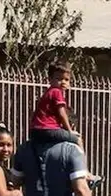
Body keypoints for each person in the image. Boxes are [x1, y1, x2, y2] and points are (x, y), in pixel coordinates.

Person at [29, 61, 101, 189]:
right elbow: (61, 112)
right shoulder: (56, 92)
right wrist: (69, 131)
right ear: (50, 79)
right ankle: (86, 174)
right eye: (59, 79)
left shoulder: (48, 93)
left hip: (36, 130)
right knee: (77, 139)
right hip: (46, 129)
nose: (63, 82)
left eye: (66, 80)